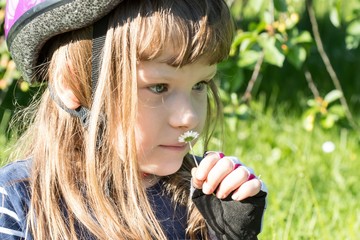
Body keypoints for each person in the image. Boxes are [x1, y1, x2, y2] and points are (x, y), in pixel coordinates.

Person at [0, 0, 267, 239]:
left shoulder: (200, 196)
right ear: (70, 83)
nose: (189, 117)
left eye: (200, 84)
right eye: (159, 87)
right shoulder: (17, 202)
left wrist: (230, 232)